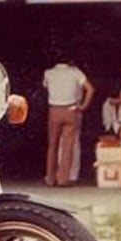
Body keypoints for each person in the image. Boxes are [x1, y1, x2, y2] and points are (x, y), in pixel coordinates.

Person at [42, 57, 93, 187]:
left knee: (52, 145)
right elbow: (90, 89)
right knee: (67, 146)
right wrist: (83, 106)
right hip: (71, 109)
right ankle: (63, 179)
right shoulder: (75, 72)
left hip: (54, 109)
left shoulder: (48, 73)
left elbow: (46, 86)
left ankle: (50, 178)